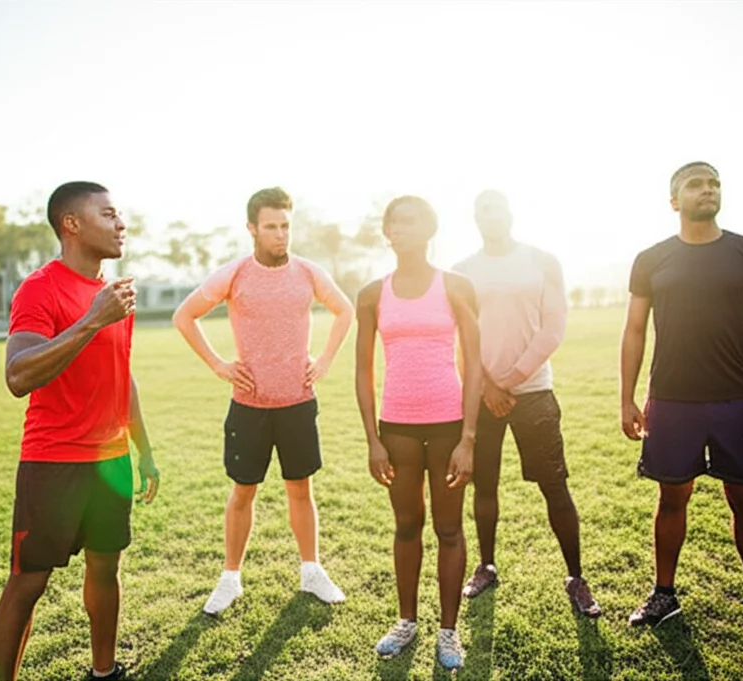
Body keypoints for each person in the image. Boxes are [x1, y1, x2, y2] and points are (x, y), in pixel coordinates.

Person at [620, 162, 743, 657]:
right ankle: (664, 596)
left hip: (741, 401)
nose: (708, 191)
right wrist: (627, 397)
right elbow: (635, 330)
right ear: (674, 200)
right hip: (672, 400)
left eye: (714, 184)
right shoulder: (651, 259)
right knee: (671, 499)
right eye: (696, 185)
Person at [0, 181, 159, 681]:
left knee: (106, 570)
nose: (121, 224)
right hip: (53, 462)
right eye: (108, 214)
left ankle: (104, 672)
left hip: (112, 464)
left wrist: (142, 451)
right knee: (28, 584)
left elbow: (121, 374)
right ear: (72, 223)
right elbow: (18, 375)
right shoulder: (40, 288)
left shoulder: (111, 292)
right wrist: (90, 321)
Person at [172, 186, 354, 616]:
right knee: (243, 493)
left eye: (286, 226)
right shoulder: (234, 275)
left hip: (297, 403)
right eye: (271, 226)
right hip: (248, 407)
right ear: (252, 228)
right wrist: (218, 364)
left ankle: (311, 571)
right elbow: (185, 316)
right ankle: (230, 578)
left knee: (300, 489)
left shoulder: (308, 273)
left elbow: (344, 310)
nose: (280, 234)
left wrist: (324, 360)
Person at [453, 190, 601, 617]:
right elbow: (461, 338)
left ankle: (576, 577)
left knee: (555, 485)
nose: (492, 216)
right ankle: (486, 566)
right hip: (481, 396)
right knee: (485, 485)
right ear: (475, 218)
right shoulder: (462, 271)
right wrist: (486, 388)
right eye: (483, 210)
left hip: (533, 393)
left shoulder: (541, 260)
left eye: (498, 208)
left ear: (511, 214)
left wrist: (511, 381)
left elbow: (554, 325)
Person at [355, 196, 481, 670]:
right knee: (407, 525)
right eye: (393, 222)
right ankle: (406, 621)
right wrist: (372, 438)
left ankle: (449, 633)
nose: (399, 228)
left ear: (429, 229)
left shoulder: (456, 286)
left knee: (449, 528)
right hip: (398, 429)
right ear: (385, 232)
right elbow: (363, 373)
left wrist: (469, 438)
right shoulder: (372, 294)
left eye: (409, 221)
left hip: (449, 425)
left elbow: (474, 363)